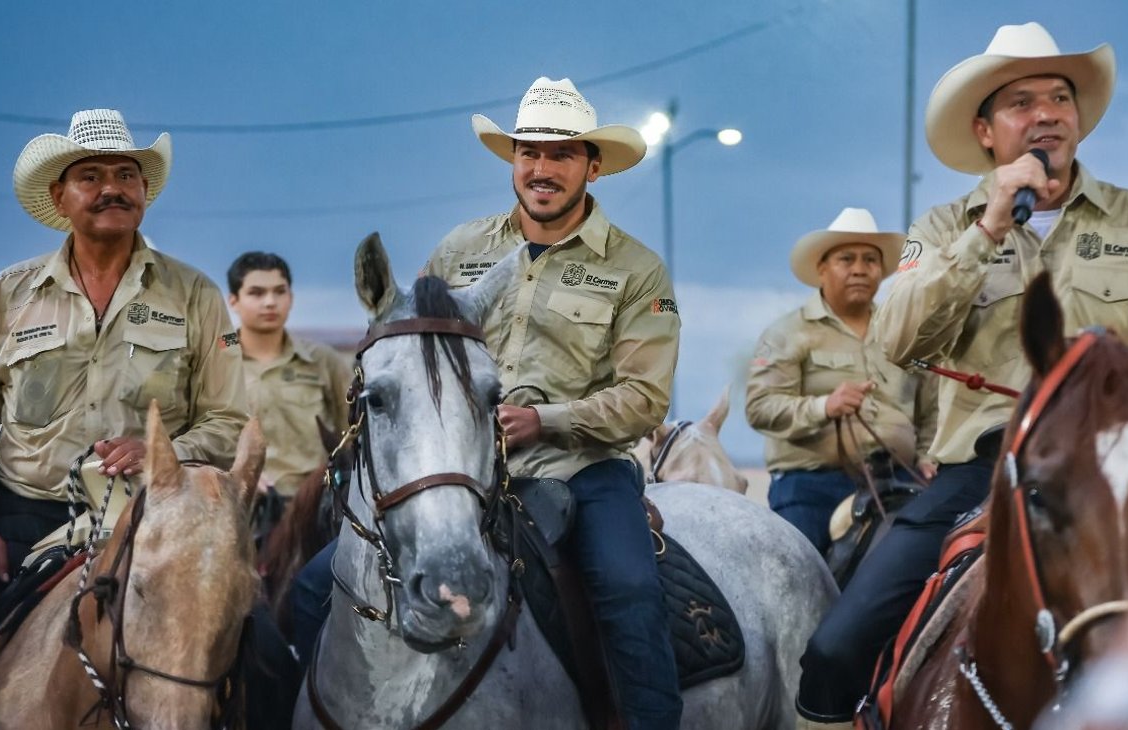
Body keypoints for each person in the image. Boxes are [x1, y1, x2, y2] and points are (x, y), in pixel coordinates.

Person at [793, 23, 1128, 729]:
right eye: (1022, 101)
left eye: (1059, 98)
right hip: (979, 474)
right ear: (984, 131)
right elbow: (895, 335)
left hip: (1115, 482)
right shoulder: (941, 226)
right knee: (834, 649)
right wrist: (984, 234)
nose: (1046, 113)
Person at [290, 77, 682, 728]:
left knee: (631, 592)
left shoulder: (637, 271)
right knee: (311, 589)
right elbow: (413, 358)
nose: (542, 168)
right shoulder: (460, 249)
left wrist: (545, 419)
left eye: (560, 155)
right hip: (460, 474)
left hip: (581, 473)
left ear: (593, 166)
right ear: (513, 163)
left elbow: (644, 398)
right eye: (528, 152)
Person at [0, 109, 246, 596]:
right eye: (91, 176)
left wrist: (163, 451)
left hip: (158, 517)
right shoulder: (4, 296)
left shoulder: (197, 295)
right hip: (24, 520)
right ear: (59, 198)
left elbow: (228, 422)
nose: (113, 188)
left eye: (126, 175)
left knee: (262, 654)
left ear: (143, 191)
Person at [745, 208, 937, 555]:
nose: (860, 269)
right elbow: (760, 408)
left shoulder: (901, 335)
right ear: (822, 269)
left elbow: (931, 408)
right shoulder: (788, 333)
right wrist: (824, 406)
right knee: (798, 576)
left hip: (899, 480)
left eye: (870, 260)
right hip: (811, 486)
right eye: (846, 259)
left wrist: (926, 457)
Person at [226, 252, 351, 500]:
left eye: (279, 291)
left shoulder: (323, 360)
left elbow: (350, 434)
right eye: (256, 293)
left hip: (315, 505)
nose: (270, 302)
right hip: (237, 502)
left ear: (291, 298)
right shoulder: (215, 360)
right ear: (233, 301)